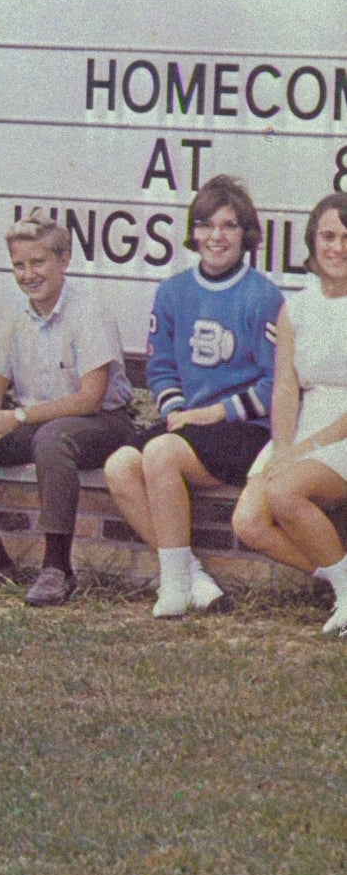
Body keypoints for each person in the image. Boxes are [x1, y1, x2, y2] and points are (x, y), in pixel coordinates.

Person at [0, 214, 139, 606]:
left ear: (64, 260)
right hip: (39, 423)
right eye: (19, 265)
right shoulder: (15, 316)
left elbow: (90, 397)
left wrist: (17, 417)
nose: (28, 274)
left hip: (100, 423)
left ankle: (57, 568)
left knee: (52, 439)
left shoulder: (88, 312)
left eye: (38, 262)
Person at [104, 177, 281, 618]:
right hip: (188, 424)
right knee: (120, 465)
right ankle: (194, 575)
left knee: (162, 453)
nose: (216, 237)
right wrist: (178, 410)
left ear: (247, 234)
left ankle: (173, 584)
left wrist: (211, 413)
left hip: (244, 428)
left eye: (228, 225)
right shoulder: (173, 291)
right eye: (205, 225)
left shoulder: (263, 296)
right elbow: (160, 364)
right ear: (192, 232)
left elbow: (276, 384)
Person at [233, 193, 347, 635]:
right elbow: (284, 386)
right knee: (249, 521)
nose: (338, 247)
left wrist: (306, 450)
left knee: (284, 493)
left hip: (341, 429)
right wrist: (282, 447)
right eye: (328, 236)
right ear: (312, 240)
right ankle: (342, 582)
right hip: (306, 422)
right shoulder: (295, 307)